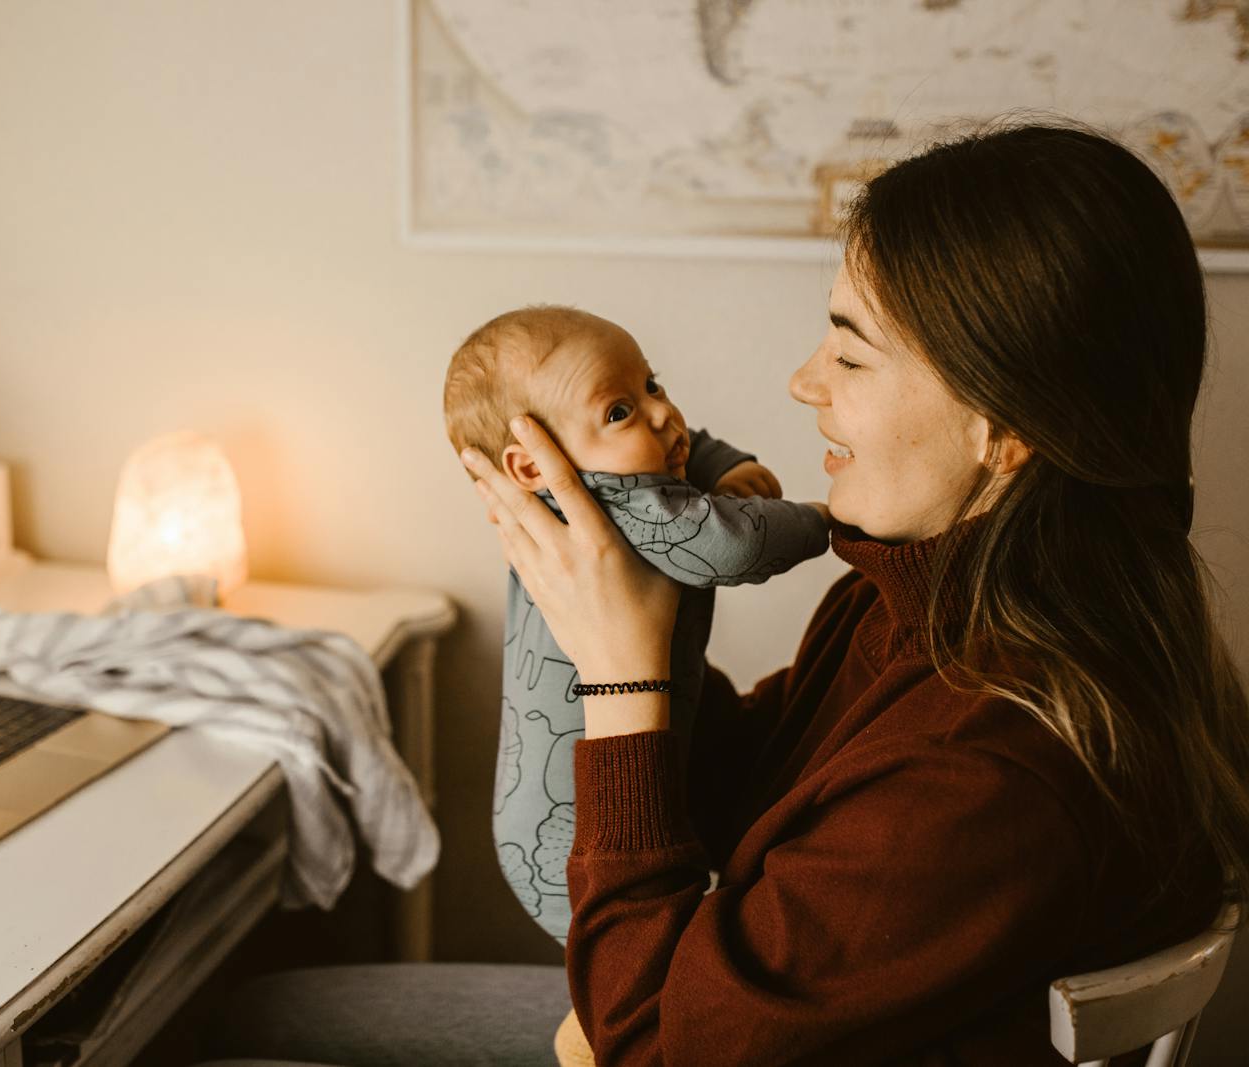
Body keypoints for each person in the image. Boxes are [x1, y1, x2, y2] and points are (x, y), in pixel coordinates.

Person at [197, 120, 1249, 1066]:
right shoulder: (937, 601)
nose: (804, 381)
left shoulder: (990, 768)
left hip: (661, 1013)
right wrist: (610, 628)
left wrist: (619, 680)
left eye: (848, 350)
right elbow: (763, 789)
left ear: (1001, 429)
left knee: (234, 1039)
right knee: (261, 1014)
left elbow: (648, 1038)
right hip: (695, 992)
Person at [442, 305, 828, 942]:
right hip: (577, 845)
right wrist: (827, 519)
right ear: (534, 467)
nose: (659, 412)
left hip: (570, 811)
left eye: (652, 384)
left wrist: (723, 467)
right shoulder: (618, 502)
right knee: (646, 950)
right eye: (618, 411)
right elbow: (732, 546)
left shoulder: (613, 475)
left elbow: (690, 442)